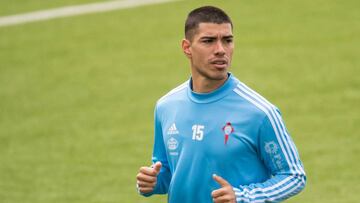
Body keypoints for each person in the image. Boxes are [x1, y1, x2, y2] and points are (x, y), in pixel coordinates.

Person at [136, 6, 306, 203]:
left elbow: (293, 176)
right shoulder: (166, 106)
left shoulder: (259, 113)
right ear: (186, 48)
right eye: (208, 41)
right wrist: (153, 181)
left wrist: (244, 196)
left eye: (227, 40)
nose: (220, 50)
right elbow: (165, 170)